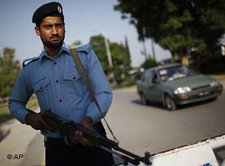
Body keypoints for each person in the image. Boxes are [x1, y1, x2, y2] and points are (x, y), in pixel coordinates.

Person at [8, 2, 114, 166]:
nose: (55, 31)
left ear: (65, 27)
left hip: (92, 140)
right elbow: (14, 102)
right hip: (57, 150)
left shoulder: (85, 55)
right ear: (38, 31)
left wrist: (87, 119)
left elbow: (103, 93)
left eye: (59, 25)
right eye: (48, 27)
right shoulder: (30, 70)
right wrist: (29, 117)